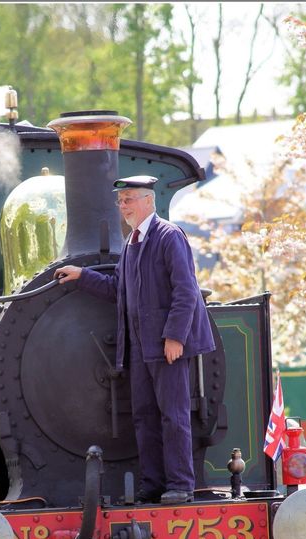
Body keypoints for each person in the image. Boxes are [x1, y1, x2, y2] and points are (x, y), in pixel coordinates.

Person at [54, 175, 215, 504]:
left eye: (129, 199)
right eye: (120, 201)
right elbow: (118, 290)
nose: (123, 206)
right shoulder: (131, 244)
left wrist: (175, 337)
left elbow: (186, 290)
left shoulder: (170, 236)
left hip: (166, 345)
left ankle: (181, 485)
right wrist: (83, 276)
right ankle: (153, 484)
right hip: (140, 348)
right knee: (144, 416)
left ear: (148, 201)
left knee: (174, 415)